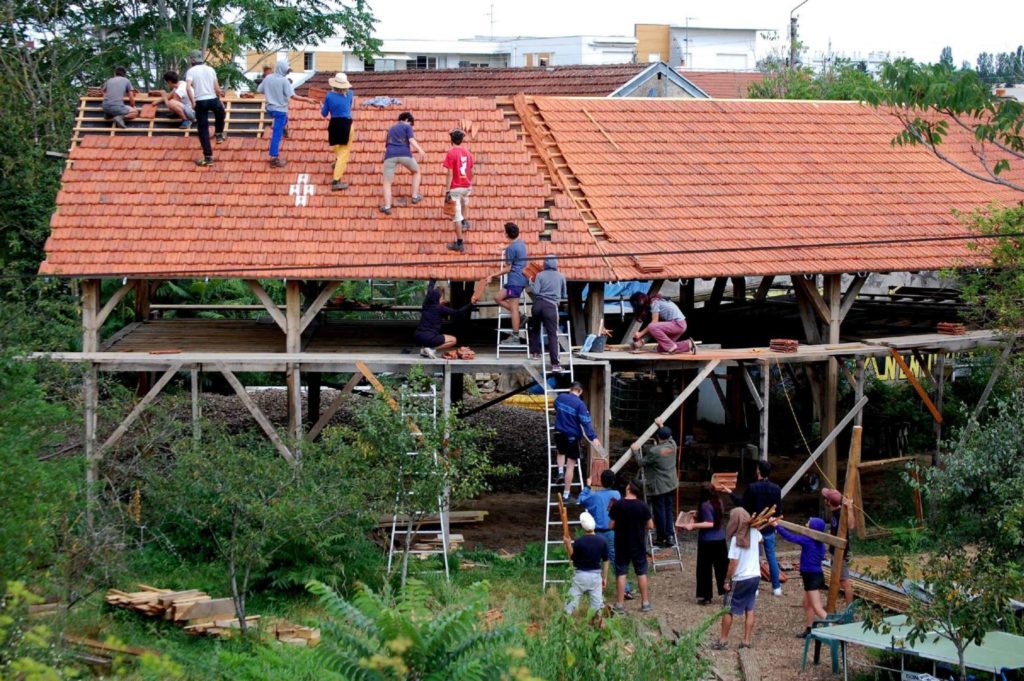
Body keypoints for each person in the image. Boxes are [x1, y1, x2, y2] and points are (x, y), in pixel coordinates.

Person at [728, 460, 783, 596]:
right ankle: (777, 588)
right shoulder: (776, 488)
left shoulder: (752, 487)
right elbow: (778, 510)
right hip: (769, 527)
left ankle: (755, 588)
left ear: (758, 471)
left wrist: (730, 493)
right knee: (771, 557)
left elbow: (742, 505)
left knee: (754, 558)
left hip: (754, 528)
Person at [579, 470, 635, 599]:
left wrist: (587, 486)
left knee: (595, 562)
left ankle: (595, 590)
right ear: (613, 481)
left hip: (597, 533)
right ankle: (625, 589)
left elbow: (581, 500)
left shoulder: (594, 496)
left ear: (600, 481)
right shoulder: (616, 494)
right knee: (616, 560)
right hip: (612, 533)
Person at [712, 508, 763, 650]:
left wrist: (727, 580)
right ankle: (746, 641)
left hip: (741, 578)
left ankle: (723, 641)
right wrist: (755, 528)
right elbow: (762, 540)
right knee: (750, 608)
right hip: (755, 576)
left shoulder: (736, 539)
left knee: (728, 608)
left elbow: (733, 563)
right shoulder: (755, 533)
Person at [771, 516, 828, 638]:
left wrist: (777, 526)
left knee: (817, 607)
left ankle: (836, 630)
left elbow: (790, 537)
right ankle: (809, 628)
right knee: (807, 604)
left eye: (809, 523)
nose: (806, 524)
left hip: (812, 577)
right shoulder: (820, 543)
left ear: (813, 528)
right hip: (814, 575)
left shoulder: (808, 540)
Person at [257, 60, 316, 168]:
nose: (288, 73)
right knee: (276, 135)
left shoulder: (268, 78)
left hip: (270, 108)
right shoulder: (284, 81)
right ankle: (274, 158)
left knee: (283, 120)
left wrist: (271, 91)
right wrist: (307, 100)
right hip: (280, 111)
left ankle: (284, 127)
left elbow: (259, 90)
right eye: (287, 71)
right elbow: (293, 96)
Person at [609, 479, 654, 614]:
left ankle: (620, 604)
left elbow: (610, 525)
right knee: (641, 572)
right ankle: (645, 602)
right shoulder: (643, 506)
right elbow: (651, 525)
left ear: (629, 488)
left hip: (621, 543)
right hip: (638, 544)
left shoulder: (618, 505)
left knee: (621, 572)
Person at [679, 483, 728, 604]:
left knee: (704, 569)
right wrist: (697, 513)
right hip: (720, 539)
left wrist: (693, 525)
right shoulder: (719, 501)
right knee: (722, 568)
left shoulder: (705, 505)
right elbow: (714, 516)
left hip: (707, 541)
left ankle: (706, 596)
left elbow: (709, 523)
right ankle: (727, 592)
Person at [553, 382, 601, 503]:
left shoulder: (560, 398)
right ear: (580, 391)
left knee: (560, 452)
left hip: (558, 432)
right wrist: (593, 437)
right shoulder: (580, 404)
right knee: (570, 465)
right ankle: (566, 495)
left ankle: (559, 472)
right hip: (572, 436)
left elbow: (555, 406)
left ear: (570, 389)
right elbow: (586, 422)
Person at [632, 425, 678, 548]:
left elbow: (641, 462)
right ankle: (669, 536)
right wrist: (662, 425)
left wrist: (635, 451)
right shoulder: (673, 445)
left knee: (660, 512)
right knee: (668, 510)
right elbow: (669, 436)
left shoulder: (655, 451)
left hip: (659, 486)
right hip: (671, 484)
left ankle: (661, 537)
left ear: (657, 437)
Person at [185, 50, 226, 167]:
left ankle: (208, 158)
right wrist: (220, 101)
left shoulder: (191, 71)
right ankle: (219, 134)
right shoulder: (210, 69)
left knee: (203, 129)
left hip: (200, 102)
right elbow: (217, 89)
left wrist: (193, 102)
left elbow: (188, 88)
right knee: (220, 113)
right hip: (213, 99)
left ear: (192, 60)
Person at [380, 111, 425, 215]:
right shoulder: (407, 127)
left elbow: (386, 144)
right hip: (404, 154)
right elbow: (411, 140)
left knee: (387, 182)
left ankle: (387, 207)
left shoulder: (391, 129)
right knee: (416, 171)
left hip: (390, 155)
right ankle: (414, 196)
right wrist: (420, 150)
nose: (410, 125)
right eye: (410, 123)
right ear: (406, 120)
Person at [489, 222, 528, 341]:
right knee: (497, 297)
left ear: (507, 234)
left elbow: (508, 268)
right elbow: (513, 245)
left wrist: (493, 275)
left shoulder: (511, 249)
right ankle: (520, 315)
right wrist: (504, 247)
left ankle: (515, 336)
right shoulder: (521, 242)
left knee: (514, 309)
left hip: (515, 280)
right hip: (520, 278)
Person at [564, 511, 609, 615]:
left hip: (580, 576)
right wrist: (604, 578)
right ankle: (598, 622)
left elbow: (573, 558)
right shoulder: (602, 541)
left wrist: (568, 545)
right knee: (597, 604)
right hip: (595, 576)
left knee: (571, 602)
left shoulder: (579, 542)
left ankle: (566, 619)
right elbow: (606, 561)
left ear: (583, 527)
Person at [414, 280, 472, 359]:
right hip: (429, 337)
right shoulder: (440, 308)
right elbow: (458, 313)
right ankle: (431, 349)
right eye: (441, 296)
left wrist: (432, 280)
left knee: (432, 336)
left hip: (418, 337)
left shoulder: (425, 305)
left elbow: (429, 291)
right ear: (438, 298)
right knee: (453, 340)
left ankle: (425, 350)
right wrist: (471, 303)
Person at [528, 255, 567, 370]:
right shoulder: (561, 276)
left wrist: (531, 283)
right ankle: (555, 364)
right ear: (556, 264)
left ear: (544, 264)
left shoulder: (540, 275)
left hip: (538, 305)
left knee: (535, 329)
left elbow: (535, 291)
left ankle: (535, 353)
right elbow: (564, 294)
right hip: (551, 306)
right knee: (552, 335)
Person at [629, 292, 695, 355]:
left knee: (652, 326)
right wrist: (642, 341)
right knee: (662, 348)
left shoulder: (654, 303)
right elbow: (653, 330)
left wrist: (640, 334)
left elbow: (653, 324)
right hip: (679, 325)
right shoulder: (655, 303)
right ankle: (688, 344)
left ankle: (671, 346)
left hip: (678, 324)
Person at [321, 73, 355, 191]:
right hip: (346, 124)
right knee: (344, 152)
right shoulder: (350, 94)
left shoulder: (329, 96)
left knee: (336, 146)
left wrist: (323, 105)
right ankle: (336, 180)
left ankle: (337, 164)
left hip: (334, 123)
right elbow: (349, 106)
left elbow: (324, 113)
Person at [822, 488, 856, 605]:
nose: (824, 500)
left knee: (845, 582)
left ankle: (849, 608)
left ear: (829, 502)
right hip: (834, 552)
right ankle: (832, 605)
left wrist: (850, 508)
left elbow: (851, 525)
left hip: (841, 553)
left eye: (825, 498)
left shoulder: (842, 513)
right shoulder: (835, 512)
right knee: (836, 579)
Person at [444, 128, 474, 252]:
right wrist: (469, 182)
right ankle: (464, 221)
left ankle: (459, 242)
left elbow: (449, 173)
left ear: (451, 140)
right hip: (467, 185)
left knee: (456, 216)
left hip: (456, 187)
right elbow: (471, 170)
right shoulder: (468, 153)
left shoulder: (451, 153)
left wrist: (447, 191)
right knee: (465, 201)